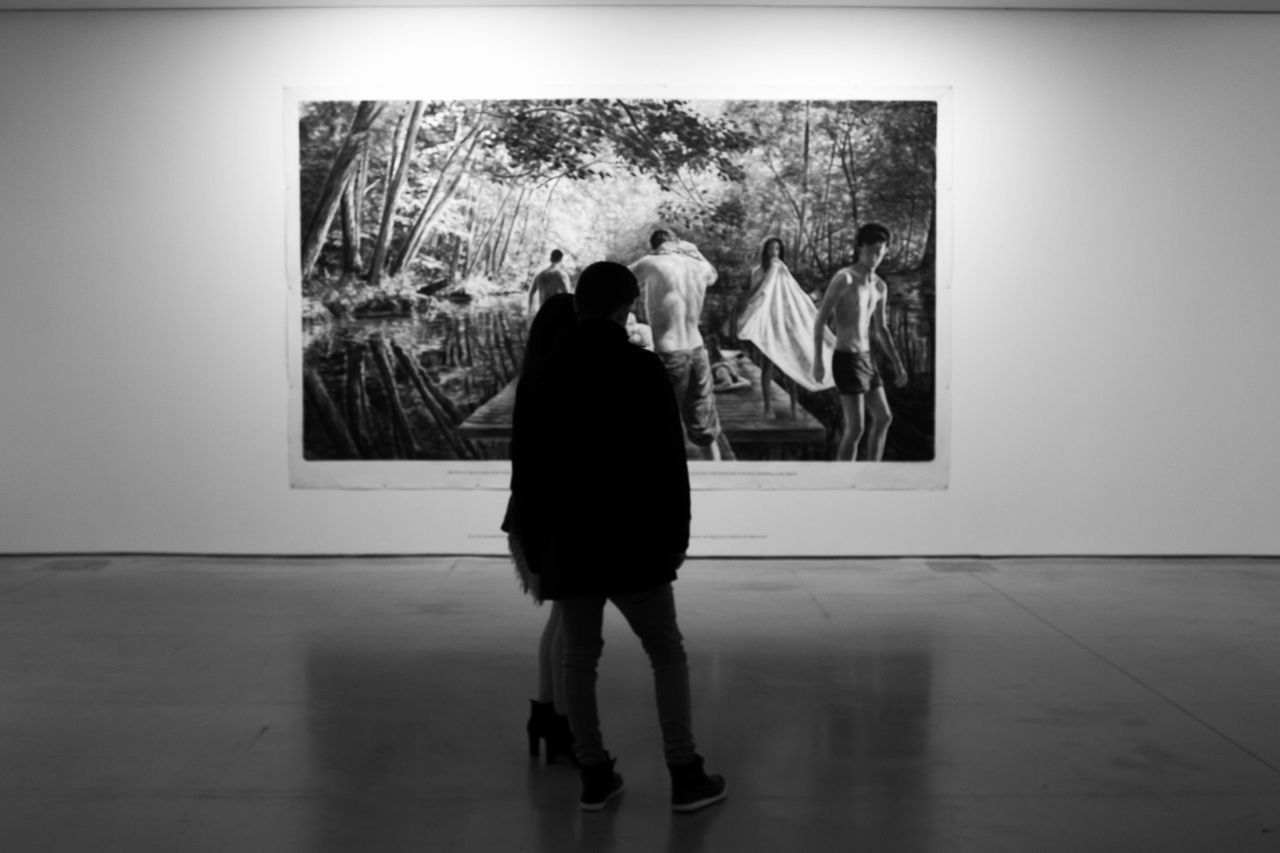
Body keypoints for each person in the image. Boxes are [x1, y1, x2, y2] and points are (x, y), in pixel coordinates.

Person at [508, 260, 727, 814]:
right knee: (666, 653)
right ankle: (684, 773)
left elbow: (527, 464)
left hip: (568, 539)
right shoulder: (643, 368)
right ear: (626, 307)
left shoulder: (543, 372)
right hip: (636, 539)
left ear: (579, 304)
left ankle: (594, 774)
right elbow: (666, 463)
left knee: (578, 658)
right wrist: (678, 534)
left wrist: (532, 541)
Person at [502, 293, 580, 766]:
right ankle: (564, 724)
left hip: (534, 511)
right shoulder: (556, 384)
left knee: (561, 620)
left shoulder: (533, 379)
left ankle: (547, 716)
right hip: (553, 515)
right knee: (571, 625)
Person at [812, 223, 909, 461]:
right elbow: (820, 319)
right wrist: (818, 360)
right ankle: (845, 479)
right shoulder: (844, 278)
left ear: (886, 251)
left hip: (867, 359)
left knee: (884, 418)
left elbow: (882, 329)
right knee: (855, 428)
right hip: (846, 357)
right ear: (860, 248)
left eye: (880, 251)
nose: (875, 257)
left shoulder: (880, 286)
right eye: (871, 251)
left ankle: (871, 471)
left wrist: (897, 365)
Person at [629, 230, 726, 460]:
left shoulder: (651, 262)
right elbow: (713, 276)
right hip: (697, 351)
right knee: (705, 431)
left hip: (668, 353)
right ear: (677, 242)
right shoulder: (700, 267)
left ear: (655, 246)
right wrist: (694, 250)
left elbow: (614, 279)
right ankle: (719, 477)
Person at [738, 236, 836, 417]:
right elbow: (753, 294)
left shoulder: (782, 269)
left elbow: (792, 293)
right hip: (767, 323)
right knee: (767, 365)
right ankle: (768, 407)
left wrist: (806, 305)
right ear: (765, 251)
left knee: (788, 363)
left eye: (777, 249)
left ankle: (793, 406)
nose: (774, 253)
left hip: (782, 321)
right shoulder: (757, 271)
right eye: (771, 249)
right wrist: (768, 275)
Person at [527, 249, 572, 319]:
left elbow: (531, 293)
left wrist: (530, 311)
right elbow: (567, 296)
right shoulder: (562, 276)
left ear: (550, 258)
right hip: (556, 314)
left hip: (542, 312)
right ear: (561, 260)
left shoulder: (539, 275)